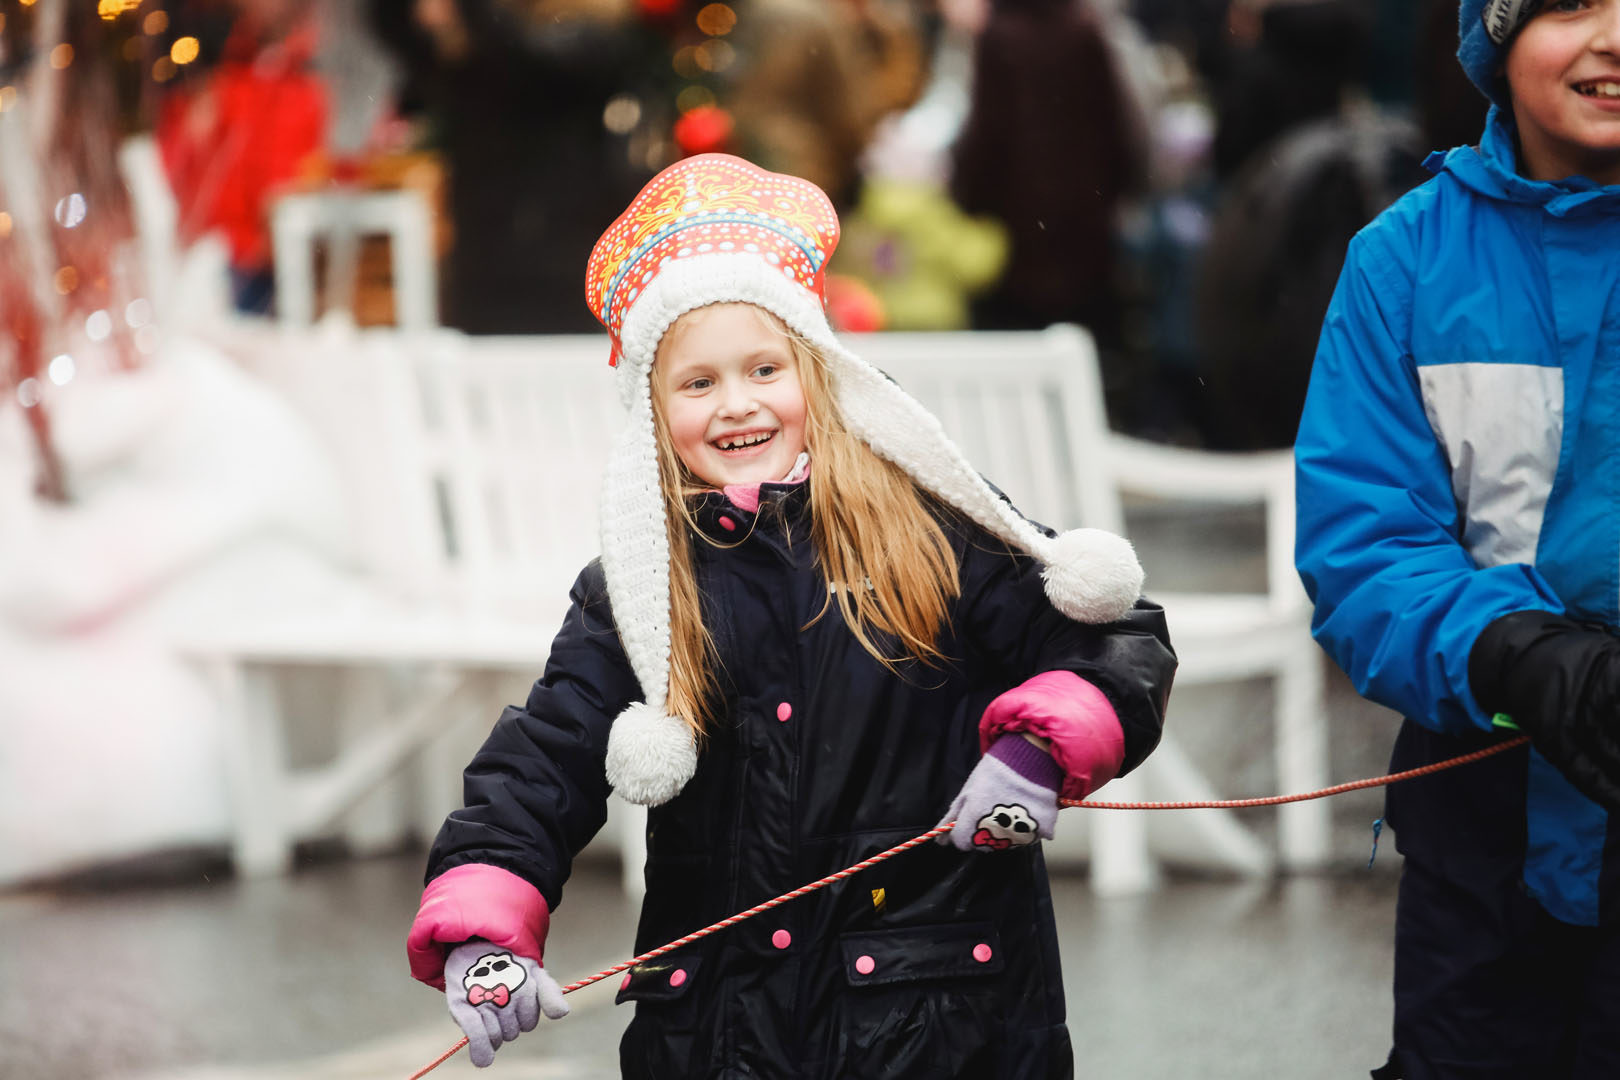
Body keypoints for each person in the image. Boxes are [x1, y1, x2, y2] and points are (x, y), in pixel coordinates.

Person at [404, 154, 1176, 1076]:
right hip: (720, 1037)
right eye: (696, 384)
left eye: (764, 368)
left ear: (817, 372)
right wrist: (484, 928)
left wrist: (1038, 748)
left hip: (935, 1029)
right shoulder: (643, 587)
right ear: (653, 413)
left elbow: (1110, 634)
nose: (736, 404)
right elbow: (543, 760)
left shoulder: (931, 530)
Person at [1293, 2, 1620, 1076]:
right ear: (1496, 36)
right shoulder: (1406, 261)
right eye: (1571, 3)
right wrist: (1510, 646)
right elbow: (1364, 540)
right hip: (1486, 826)